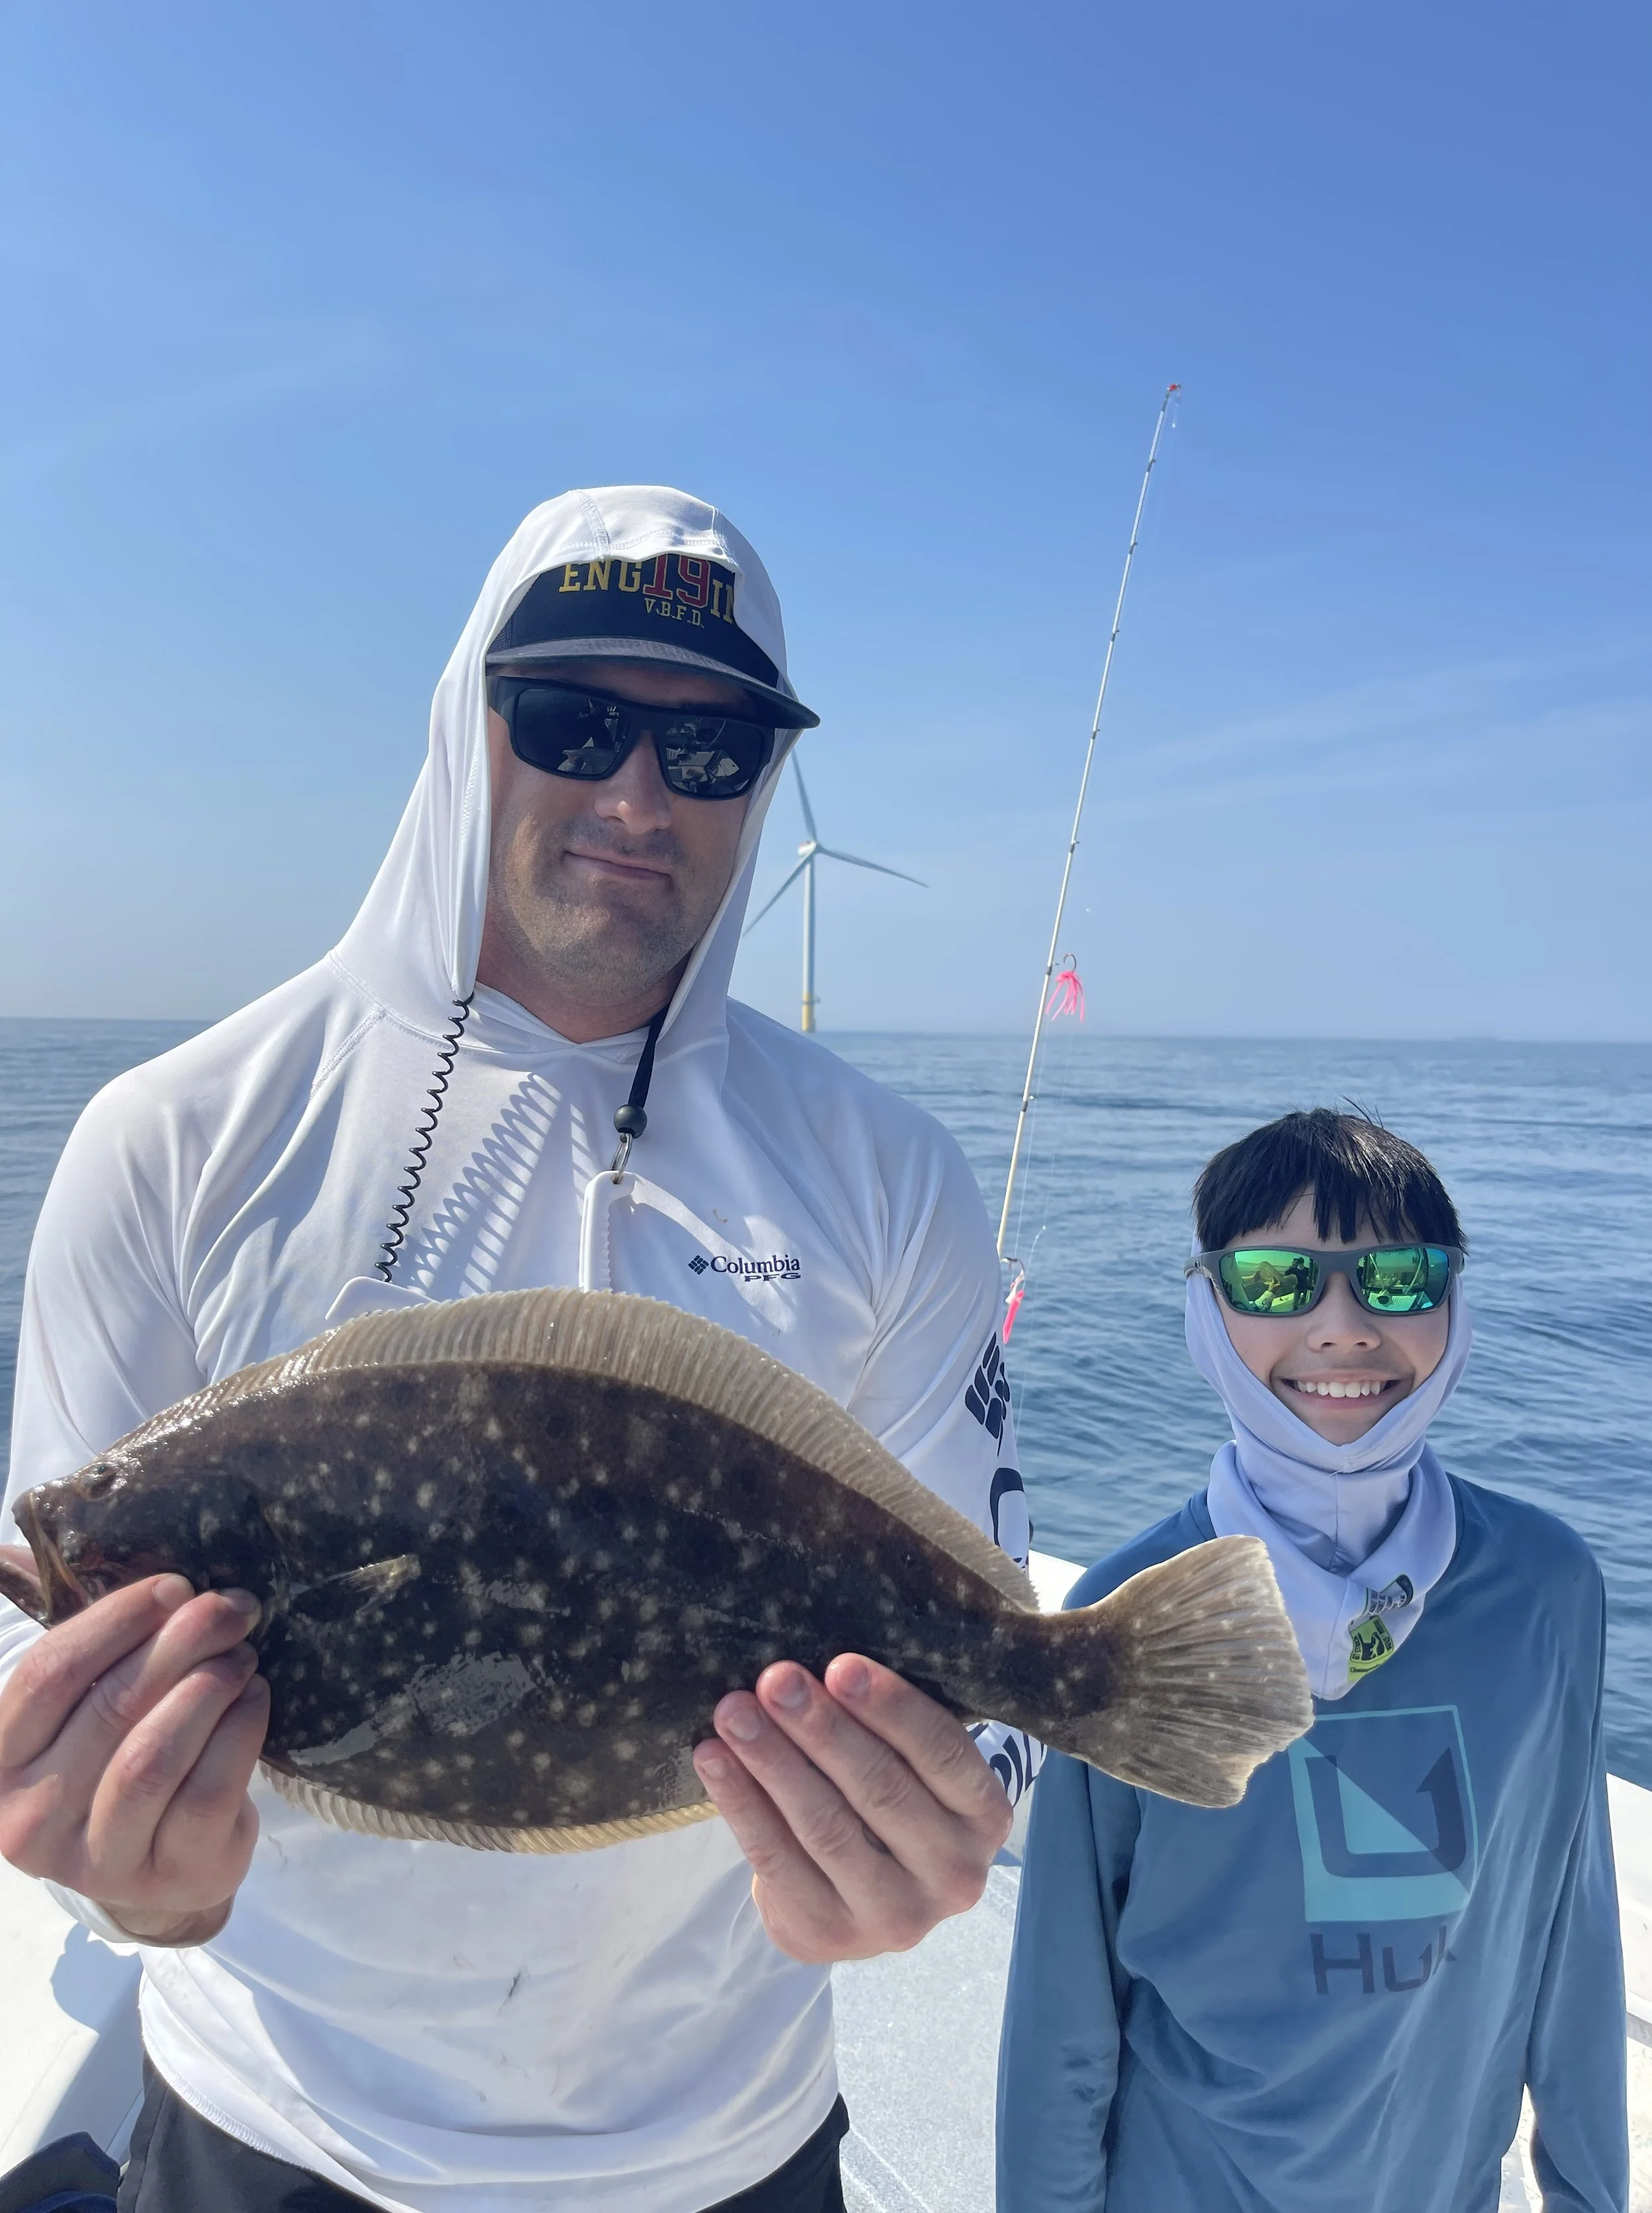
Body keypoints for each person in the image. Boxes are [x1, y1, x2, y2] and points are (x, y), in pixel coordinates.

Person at [0, 487, 1038, 2212]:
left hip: (729, 2148)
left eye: (708, 752)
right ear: (466, 723)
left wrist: (930, 1839)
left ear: (764, 785)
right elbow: (57, 1731)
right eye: (572, 721)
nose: (637, 795)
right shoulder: (168, 1140)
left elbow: (986, 1672)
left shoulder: (891, 1179)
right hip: (271, 2130)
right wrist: (138, 1883)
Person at [997, 1109, 1627, 2213]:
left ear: (1451, 1296)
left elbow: (1571, 1938)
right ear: (1206, 1304)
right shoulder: (1128, 1610)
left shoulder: (1548, 1588)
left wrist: (1588, 2191)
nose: (1343, 1327)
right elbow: (1065, 1990)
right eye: (1278, 1281)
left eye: (1396, 1278)